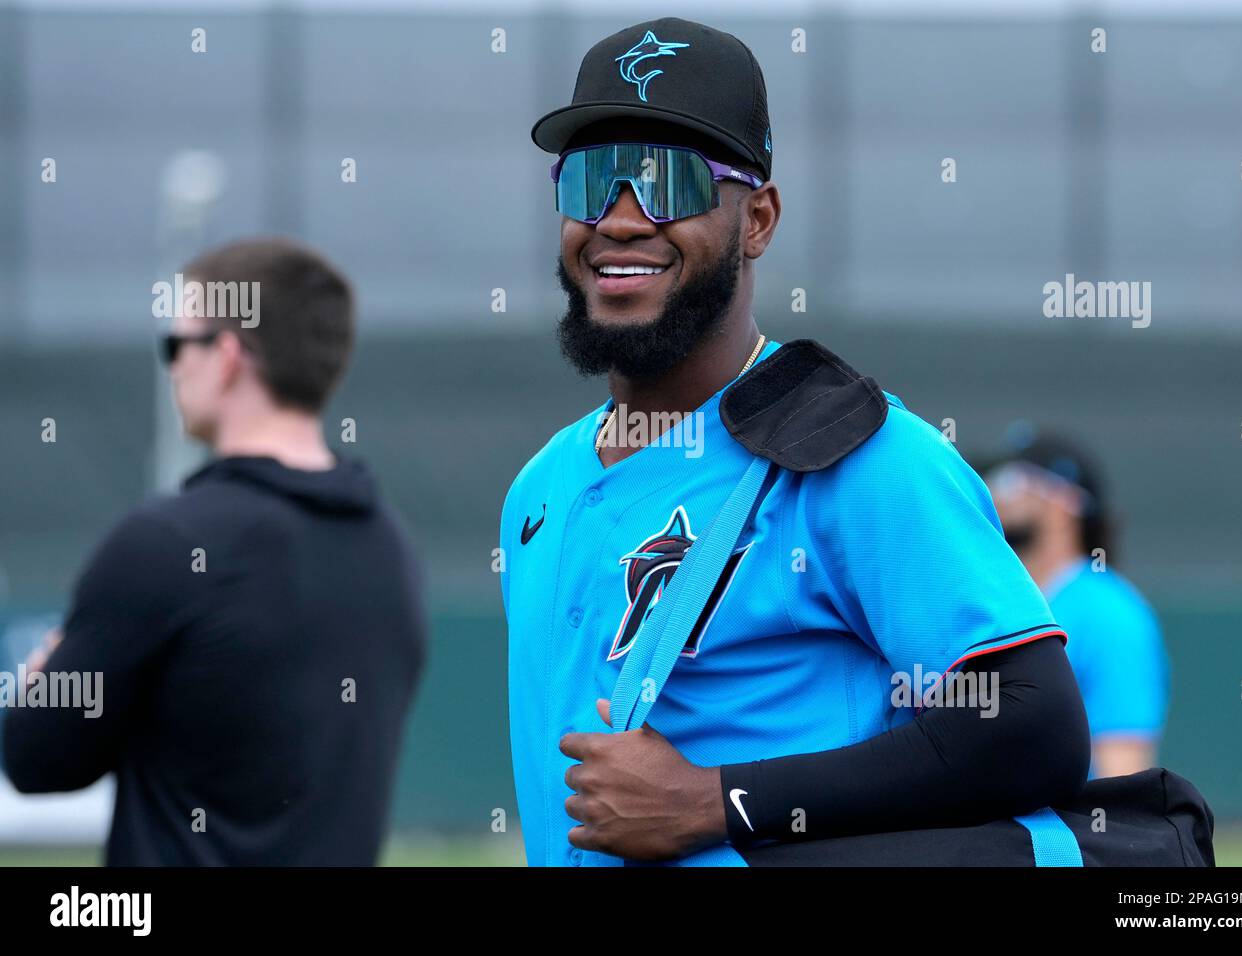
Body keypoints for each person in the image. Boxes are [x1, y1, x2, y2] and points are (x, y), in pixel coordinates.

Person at [500, 17, 1090, 867]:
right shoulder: (538, 488)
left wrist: (720, 800)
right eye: (591, 179)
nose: (619, 219)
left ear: (759, 220)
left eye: (668, 180)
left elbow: (1036, 725)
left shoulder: (863, 455)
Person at [1, 237, 427, 865]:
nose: (172, 365)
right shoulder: (390, 547)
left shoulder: (163, 544)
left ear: (227, 356)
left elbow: (34, 758)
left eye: (177, 345)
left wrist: (41, 683)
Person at [981, 426, 1170, 778]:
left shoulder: (1110, 613)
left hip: (1063, 831)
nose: (994, 494)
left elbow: (1122, 770)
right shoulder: (1000, 597)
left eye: (1010, 482)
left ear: (1064, 503)